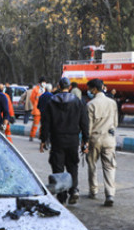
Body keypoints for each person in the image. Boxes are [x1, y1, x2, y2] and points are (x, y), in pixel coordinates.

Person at [40, 77, 88, 204]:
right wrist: (85, 139)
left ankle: (62, 196)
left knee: (58, 167)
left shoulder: (51, 102)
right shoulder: (78, 102)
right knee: (73, 165)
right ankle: (74, 190)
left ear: (59, 86)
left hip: (57, 140)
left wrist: (43, 139)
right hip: (73, 139)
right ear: (69, 87)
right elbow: (84, 122)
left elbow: (46, 123)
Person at [85, 79, 118, 207]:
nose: (88, 92)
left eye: (89, 89)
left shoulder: (91, 105)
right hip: (109, 138)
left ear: (94, 89)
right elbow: (115, 123)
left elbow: (88, 126)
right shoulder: (112, 103)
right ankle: (110, 194)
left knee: (92, 165)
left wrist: (85, 142)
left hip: (95, 138)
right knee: (109, 166)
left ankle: (93, 190)